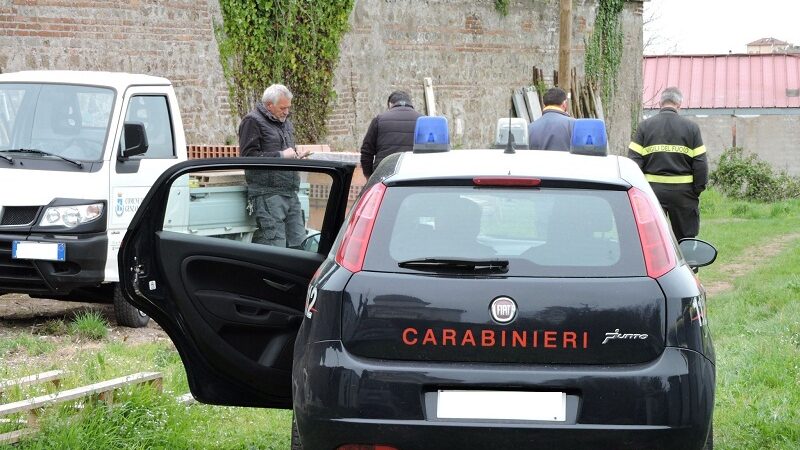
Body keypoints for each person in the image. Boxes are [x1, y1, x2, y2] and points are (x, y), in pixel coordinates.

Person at [628, 86, 708, 241]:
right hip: (684, 194)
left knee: (650, 238)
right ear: (679, 105)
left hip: (651, 193)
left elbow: (634, 162)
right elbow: (700, 164)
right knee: (686, 238)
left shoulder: (644, 127)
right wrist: (697, 190)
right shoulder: (692, 128)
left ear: (660, 103)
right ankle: (689, 265)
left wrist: (638, 190)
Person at [238, 84, 311, 248]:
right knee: (274, 246)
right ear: (269, 105)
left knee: (299, 245)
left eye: (288, 108)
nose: (286, 112)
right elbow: (247, 157)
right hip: (267, 193)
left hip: (290, 191)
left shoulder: (285, 123)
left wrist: (296, 155)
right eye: (283, 108)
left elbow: (285, 152)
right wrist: (281, 155)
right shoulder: (252, 121)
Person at [360, 90, 423, 178]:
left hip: (384, 175)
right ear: (410, 103)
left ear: (390, 104)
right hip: (415, 174)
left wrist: (370, 177)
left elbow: (366, 152)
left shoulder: (379, 119)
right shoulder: (424, 121)